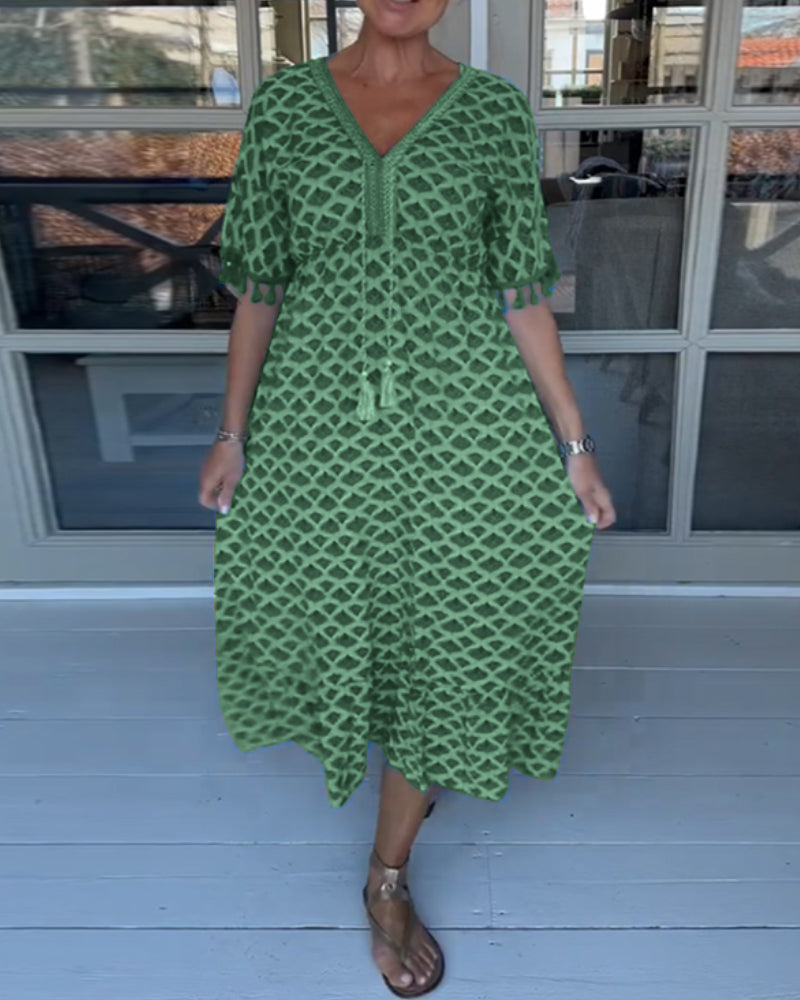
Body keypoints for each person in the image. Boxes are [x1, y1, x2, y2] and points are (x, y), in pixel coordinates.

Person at [199, 0, 616, 994]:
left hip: (465, 419)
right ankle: (411, 773)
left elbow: (520, 289)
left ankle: (386, 872)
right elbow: (259, 284)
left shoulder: (492, 112)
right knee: (354, 610)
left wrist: (574, 444)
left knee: (461, 623)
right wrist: (232, 431)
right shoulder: (286, 110)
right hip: (320, 419)